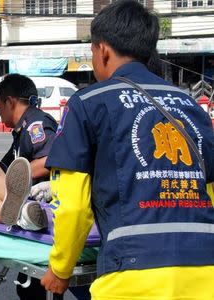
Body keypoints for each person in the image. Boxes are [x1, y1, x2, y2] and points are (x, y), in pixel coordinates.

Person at [41, 1, 214, 299]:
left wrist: (60, 269)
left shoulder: (88, 103)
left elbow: (73, 207)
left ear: (102, 50)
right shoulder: (189, 106)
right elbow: (209, 191)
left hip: (132, 277)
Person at [0, 74, 92, 300]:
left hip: (51, 214)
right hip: (37, 217)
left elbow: (53, 158)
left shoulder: (36, 124)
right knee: (29, 285)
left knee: (71, 281)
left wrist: (23, 173)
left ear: (10, 102)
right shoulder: (22, 130)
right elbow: (7, 165)